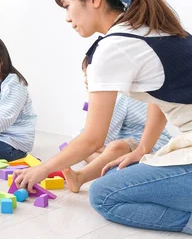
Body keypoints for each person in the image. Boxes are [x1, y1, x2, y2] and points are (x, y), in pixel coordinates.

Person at [14, 0, 192, 234]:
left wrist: (42, 169)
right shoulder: (153, 29)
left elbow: (93, 138)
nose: (67, 17)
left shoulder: (114, 47)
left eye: (67, 5)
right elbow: (160, 98)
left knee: (103, 195)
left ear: (94, 0)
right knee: (120, 173)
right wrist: (143, 149)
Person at [63, 55, 171, 192]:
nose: (85, 81)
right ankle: (113, 169)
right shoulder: (127, 94)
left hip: (148, 146)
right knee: (89, 147)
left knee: (109, 147)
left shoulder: (120, 98)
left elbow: (101, 137)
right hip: (134, 143)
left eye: (88, 75)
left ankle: (80, 177)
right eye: (84, 75)